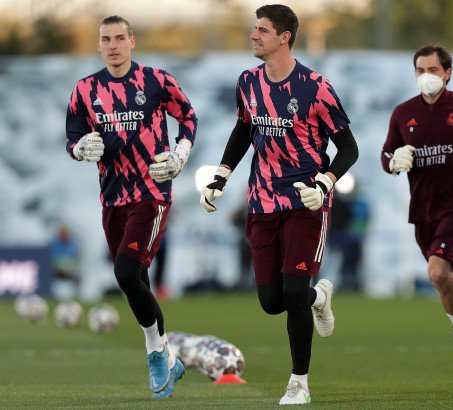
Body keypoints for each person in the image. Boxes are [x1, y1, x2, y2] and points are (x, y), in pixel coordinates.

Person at [199, 4, 358, 405]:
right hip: (261, 202)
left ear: (284, 37)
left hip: (306, 202)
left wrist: (324, 183)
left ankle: (299, 383)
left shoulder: (316, 87)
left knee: (293, 289)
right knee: (272, 302)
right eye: (254, 29)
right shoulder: (248, 82)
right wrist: (222, 174)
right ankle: (319, 298)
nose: (254, 36)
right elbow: (243, 130)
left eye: (262, 30)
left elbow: (349, 148)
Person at [65, 15, 197, 399]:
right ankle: (169, 360)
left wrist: (181, 154)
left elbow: (188, 117)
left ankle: (155, 351)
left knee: (125, 272)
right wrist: (79, 149)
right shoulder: (85, 89)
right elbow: (72, 137)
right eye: (106, 39)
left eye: (120, 38)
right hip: (112, 197)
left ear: (132, 41)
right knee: (135, 279)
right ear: (98, 45)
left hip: (152, 192)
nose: (113, 45)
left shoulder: (156, 81)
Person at [380, 44, 453, 390]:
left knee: (436, 272)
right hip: (423, 212)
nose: (426, 76)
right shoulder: (403, 113)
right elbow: (386, 153)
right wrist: (393, 161)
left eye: (432, 70)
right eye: (420, 70)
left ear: (447, 73)